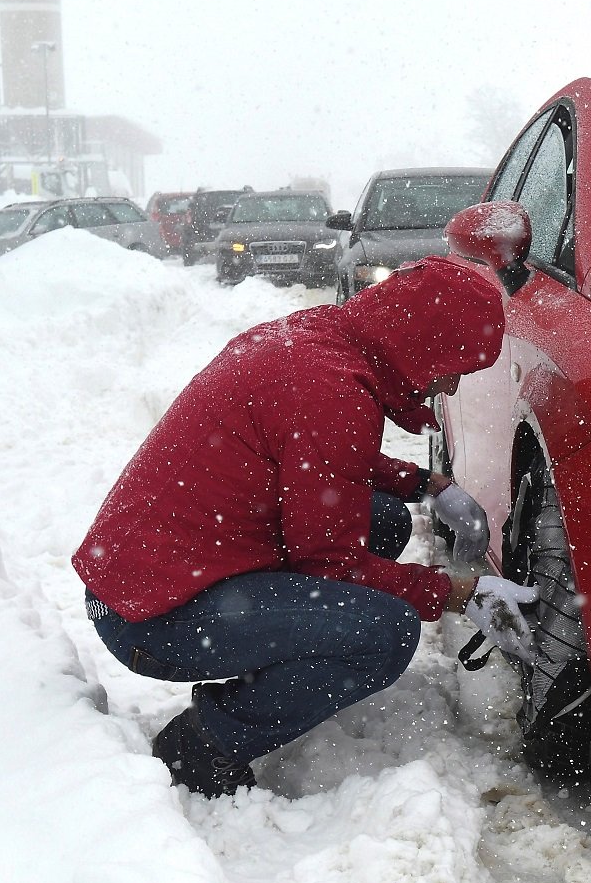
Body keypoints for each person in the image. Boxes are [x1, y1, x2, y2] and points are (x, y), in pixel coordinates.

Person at [73, 256, 538, 797]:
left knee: (383, 519)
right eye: (456, 367)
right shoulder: (330, 390)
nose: (452, 386)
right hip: (154, 617)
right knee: (385, 633)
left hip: (149, 580)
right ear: (423, 345)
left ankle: (280, 665)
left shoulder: (318, 343)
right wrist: (457, 592)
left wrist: (424, 484)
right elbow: (331, 562)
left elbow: (315, 454)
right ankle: (204, 745)